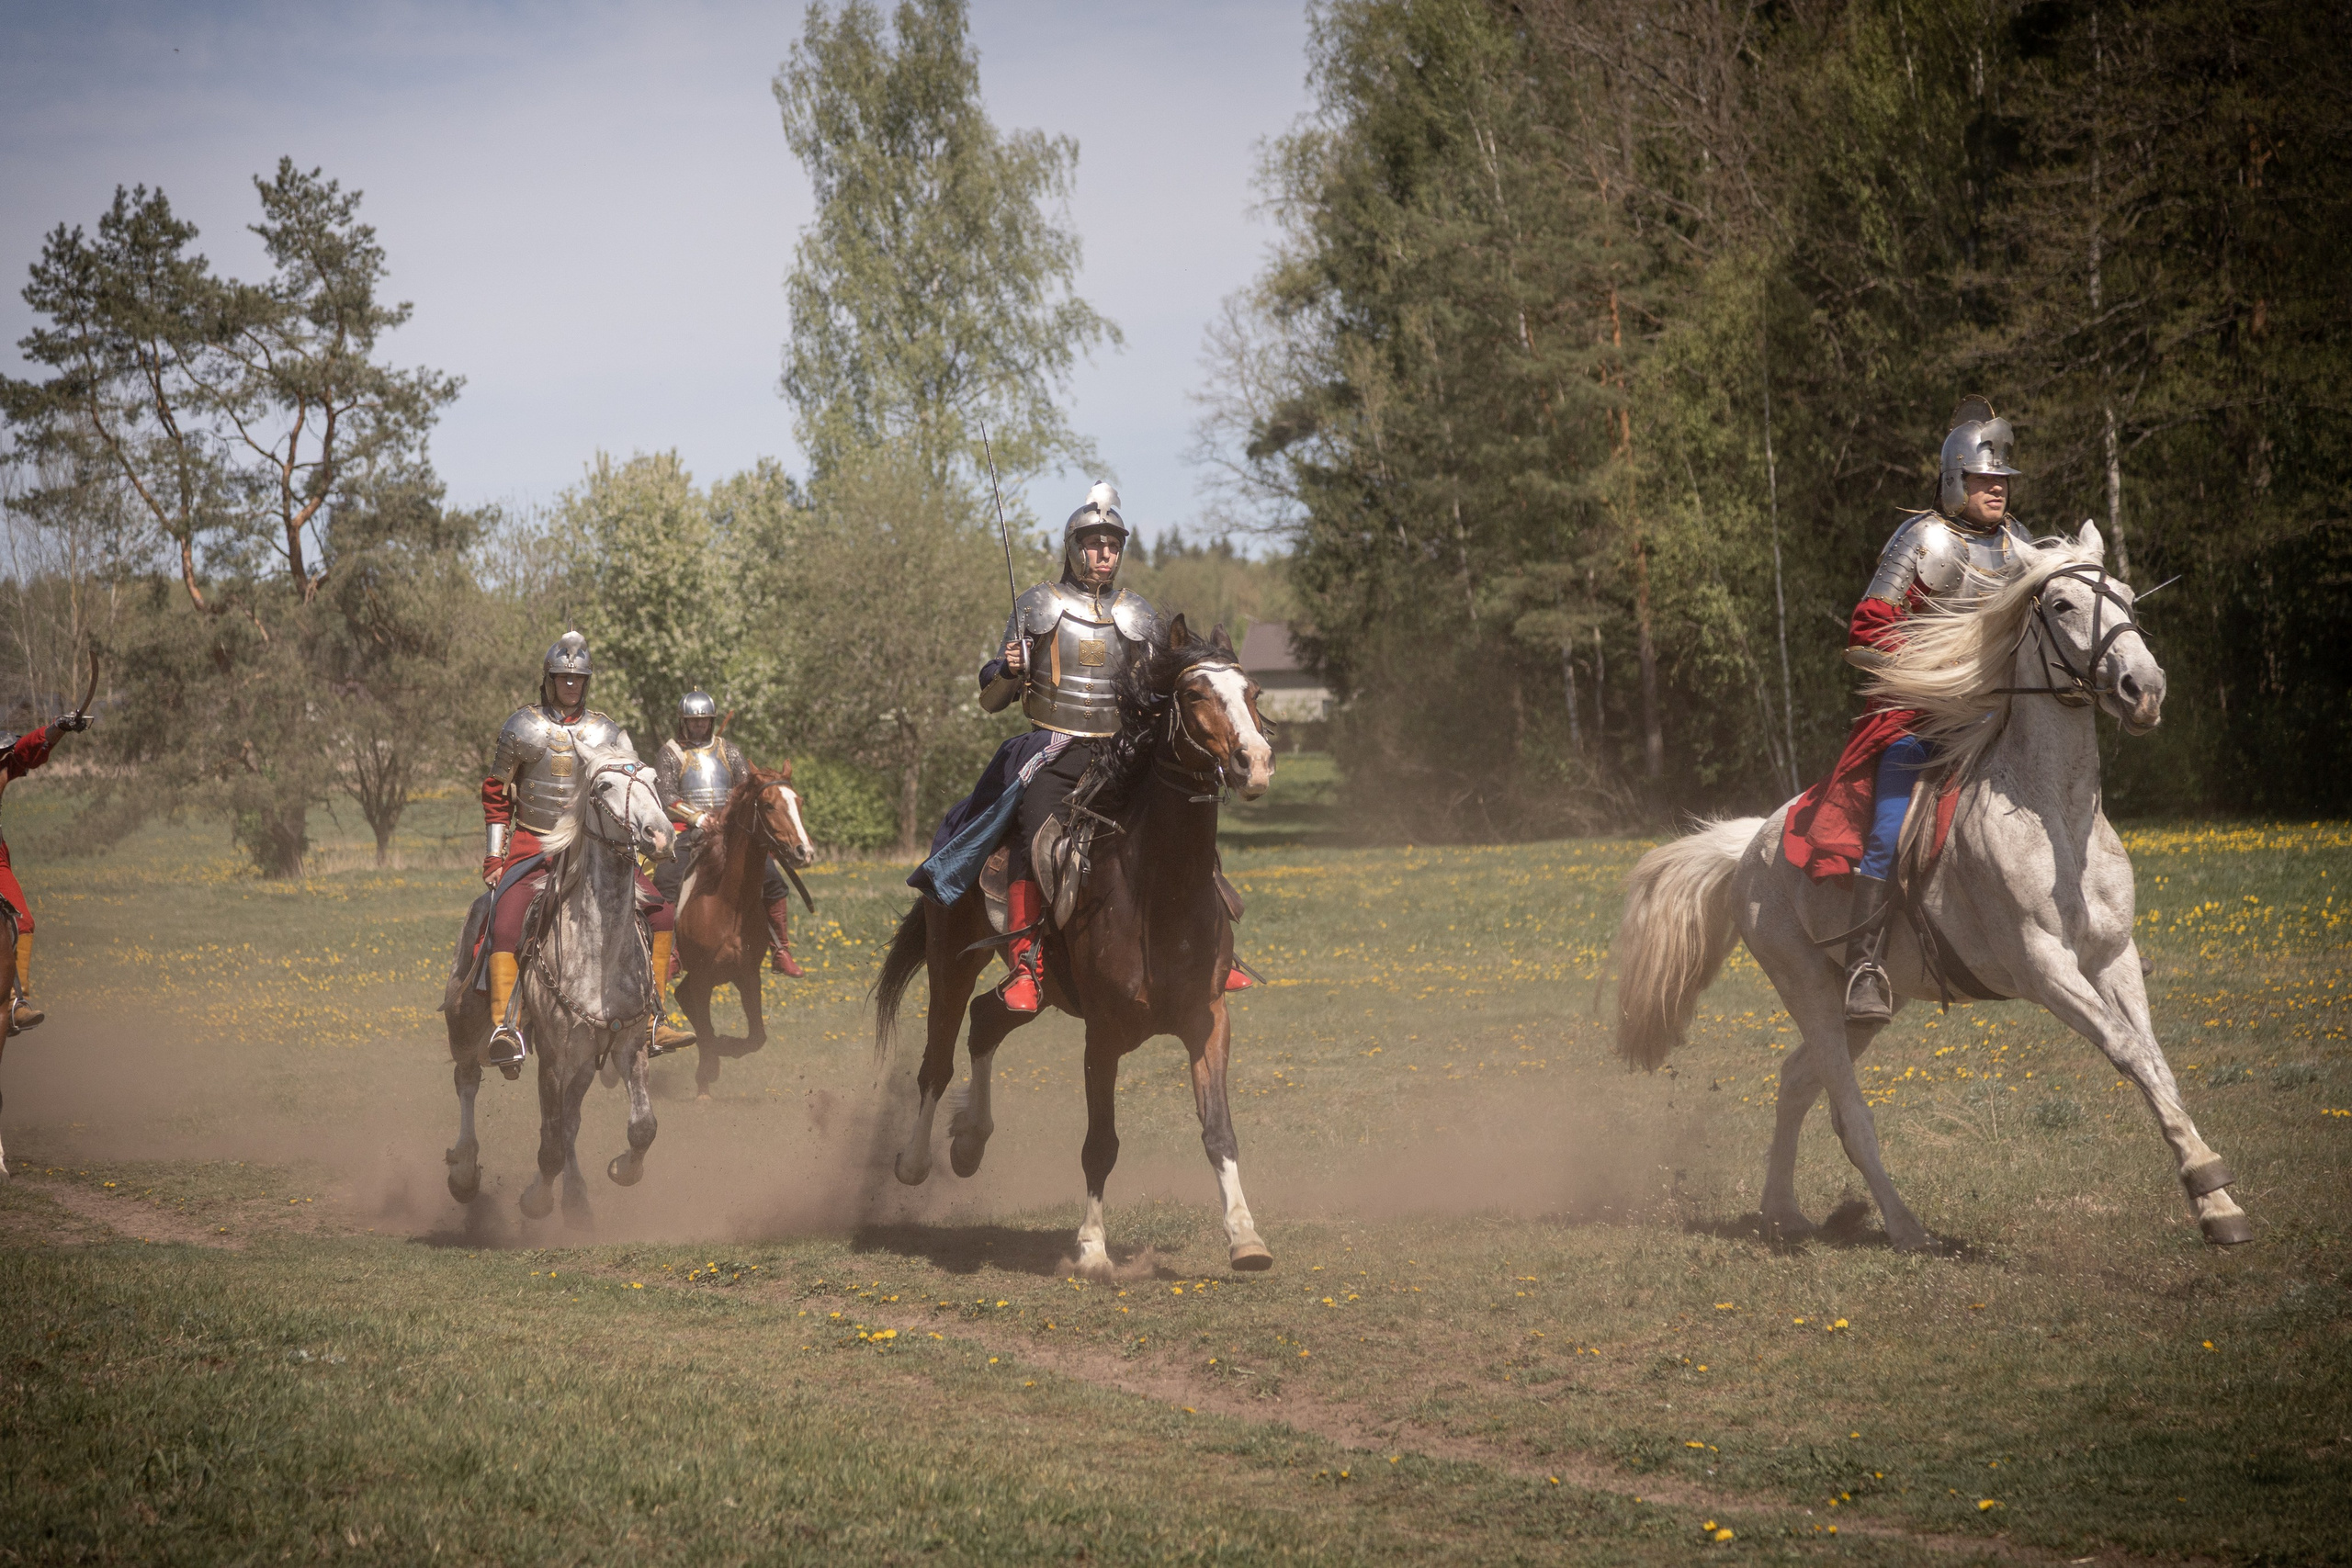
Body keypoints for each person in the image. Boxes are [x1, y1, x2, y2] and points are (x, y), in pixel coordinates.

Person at [1782, 397, 2036, 1023]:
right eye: (1985, 480)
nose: (1997, 489)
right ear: (1956, 480)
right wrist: (1933, 670)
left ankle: (2087, 928)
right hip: (1923, 721)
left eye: (2003, 480)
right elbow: (1869, 628)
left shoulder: (2022, 544)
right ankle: (1866, 963)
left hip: (2000, 718)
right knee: (1889, 829)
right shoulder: (1923, 538)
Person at [910, 483, 1162, 1012]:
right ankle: (1026, 961)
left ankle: (1205, 944)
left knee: (1177, 811)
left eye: (1113, 544)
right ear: (1074, 547)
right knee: (1036, 831)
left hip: (1120, 751)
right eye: (1095, 543)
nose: (1105, 554)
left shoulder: (1139, 614)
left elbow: (1155, 689)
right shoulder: (1039, 604)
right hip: (1053, 745)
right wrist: (1010, 668)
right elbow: (990, 698)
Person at [478, 632, 667, 1066]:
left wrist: (637, 848)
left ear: (587, 682)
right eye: (563, 677)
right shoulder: (521, 726)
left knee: (664, 913)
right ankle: (506, 1028)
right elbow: (495, 792)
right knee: (506, 923)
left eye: (578, 678)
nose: (570, 685)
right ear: (548, 679)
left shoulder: (606, 732)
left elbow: (626, 792)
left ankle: (656, 1017)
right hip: (533, 844)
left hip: (595, 845)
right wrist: (495, 855)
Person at [651, 689, 802, 977]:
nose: (699, 726)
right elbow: (666, 794)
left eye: (704, 720)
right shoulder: (671, 752)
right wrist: (698, 817)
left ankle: (780, 948)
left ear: (712, 720)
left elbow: (745, 789)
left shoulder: (728, 749)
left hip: (730, 830)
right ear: (683, 722)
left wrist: (727, 816)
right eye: (693, 721)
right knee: (667, 881)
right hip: (686, 830)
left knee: (772, 879)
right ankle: (669, 953)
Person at [0, 706, 91, 1030]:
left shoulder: (5, 762)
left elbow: (28, 749)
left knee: (23, 921)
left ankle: (15, 1003)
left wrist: (59, 726)